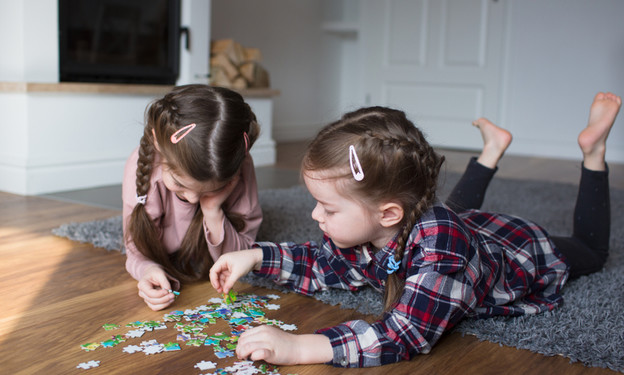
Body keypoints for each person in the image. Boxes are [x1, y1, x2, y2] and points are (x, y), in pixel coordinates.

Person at [209, 92, 620, 367]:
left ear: (388, 214)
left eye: (328, 208)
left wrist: (301, 346)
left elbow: (405, 333)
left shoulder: (444, 249)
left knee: (590, 250)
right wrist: (257, 256)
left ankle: (593, 151)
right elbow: (321, 265)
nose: (315, 216)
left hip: (515, 250)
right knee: (451, 212)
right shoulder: (383, 222)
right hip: (452, 230)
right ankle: (492, 151)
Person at [122, 84, 263, 311]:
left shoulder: (240, 167)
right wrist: (146, 269)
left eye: (210, 189)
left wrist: (213, 211)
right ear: (157, 142)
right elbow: (135, 250)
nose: (194, 199)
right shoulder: (144, 167)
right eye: (179, 184)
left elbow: (240, 257)